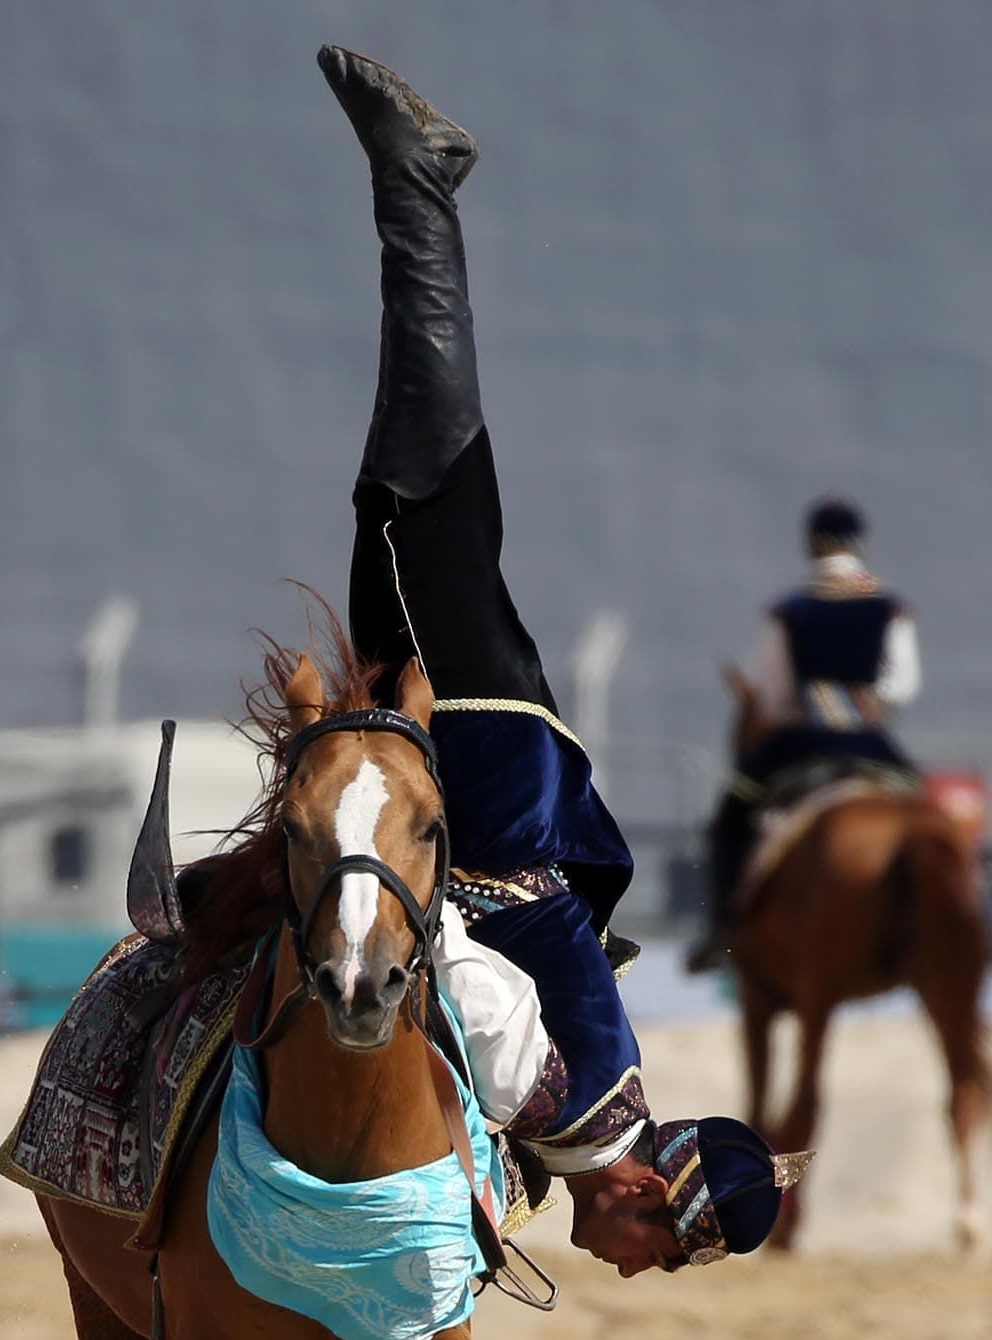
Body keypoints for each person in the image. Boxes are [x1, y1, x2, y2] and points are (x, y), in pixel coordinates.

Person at [318, 48, 805, 1277]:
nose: (635, 1270)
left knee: (401, 485)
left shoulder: (599, 1106)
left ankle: (418, 191)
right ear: (647, 1187)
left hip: (506, 775)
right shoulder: (575, 1111)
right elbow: (451, 976)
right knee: (421, 477)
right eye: (660, 1249)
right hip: (482, 772)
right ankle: (415, 185)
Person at [688, 497, 921, 971]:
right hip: (870, 742)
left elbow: (772, 696)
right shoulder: (888, 607)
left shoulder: (789, 609)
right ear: (863, 544)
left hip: (802, 742)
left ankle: (723, 927)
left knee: (732, 812)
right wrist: (866, 700)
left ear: (810, 545)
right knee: (928, 811)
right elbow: (903, 684)